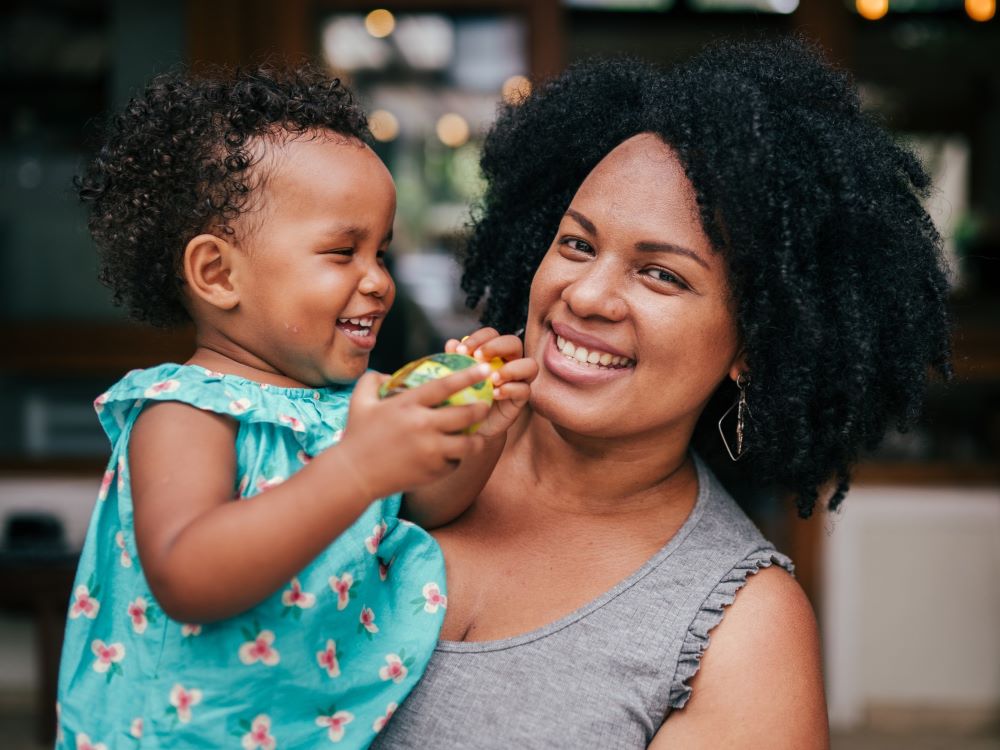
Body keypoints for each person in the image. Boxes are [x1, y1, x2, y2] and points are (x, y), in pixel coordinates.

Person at [371, 37, 951, 749]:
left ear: (753, 345)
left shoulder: (743, 634)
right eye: (578, 244)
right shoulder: (397, 433)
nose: (585, 295)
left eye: (662, 275)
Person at [55, 65, 536, 749]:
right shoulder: (184, 412)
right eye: (342, 253)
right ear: (219, 274)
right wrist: (356, 470)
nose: (378, 281)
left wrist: (479, 430)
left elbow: (427, 506)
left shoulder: (349, 406)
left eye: (381, 252)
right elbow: (188, 574)